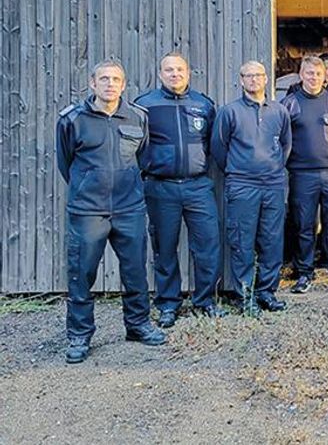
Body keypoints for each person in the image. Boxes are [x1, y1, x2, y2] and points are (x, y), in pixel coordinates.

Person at [56, 60, 166, 364]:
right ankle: (79, 335)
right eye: (103, 79)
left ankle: (138, 325)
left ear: (123, 84)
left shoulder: (137, 117)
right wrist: (89, 186)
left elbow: (141, 157)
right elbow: (65, 162)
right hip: (88, 211)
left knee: (134, 271)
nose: (110, 84)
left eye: (116, 79)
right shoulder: (72, 120)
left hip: (128, 207)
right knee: (81, 274)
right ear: (92, 84)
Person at [135, 52, 225, 328]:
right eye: (169, 70)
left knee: (208, 245)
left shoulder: (203, 105)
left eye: (180, 69)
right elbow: (134, 146)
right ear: (160, 74)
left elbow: (214, 144)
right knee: (165, 248)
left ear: (188, 73)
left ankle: (205, 300)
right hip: (160, 188)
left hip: (198, 186)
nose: (175, 74)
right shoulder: (145, 105)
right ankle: (167, 304)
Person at [211, 60, 292, 315]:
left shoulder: (279, 111)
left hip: (273, 184)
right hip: (242, 185)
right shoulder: (229, 112)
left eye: (258, 75)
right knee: (242, 241)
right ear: (241, 80)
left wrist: (273, 168)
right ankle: (244, 295)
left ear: (266, 79)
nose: (254, 80)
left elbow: (286, 146)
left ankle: (266, 292)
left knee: (272, 240)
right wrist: (240, 169)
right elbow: (218, 148)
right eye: (248, 76)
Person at [280, 55, 328, 294]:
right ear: (301, 75)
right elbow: (282, 138)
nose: (313, 78)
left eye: (318, 74)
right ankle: (304, 274)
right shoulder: (289, 103)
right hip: (302, 175)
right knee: (304, 225)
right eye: (309, 73)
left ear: (325, 76)